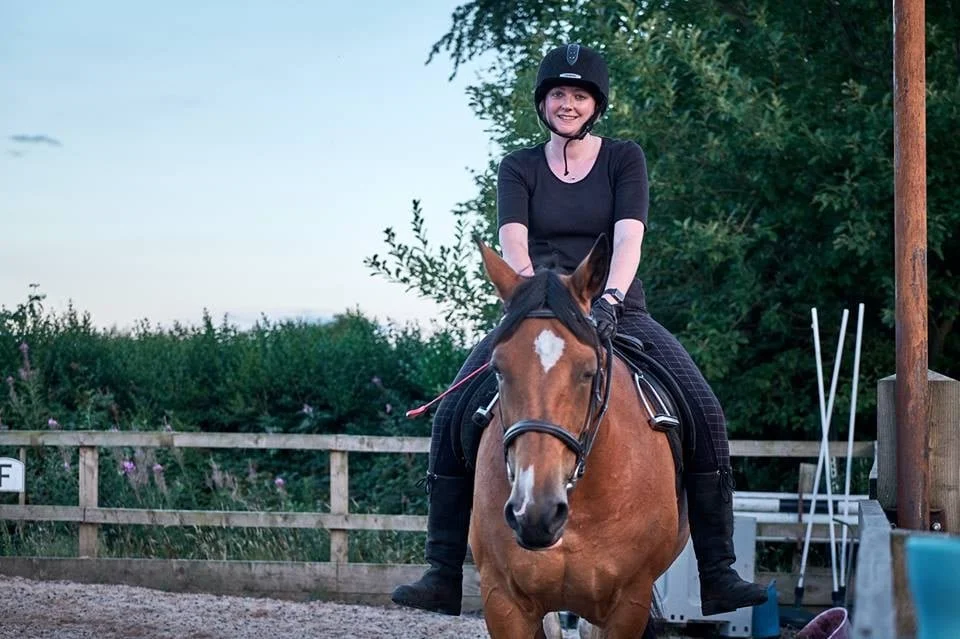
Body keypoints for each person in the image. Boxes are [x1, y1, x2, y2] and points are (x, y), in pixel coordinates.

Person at [391, 43, 768, 618]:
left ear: (597, 104)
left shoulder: (623, 158)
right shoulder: (519, 166)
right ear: (544, 103)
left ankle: (717, 570)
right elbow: (514, 244)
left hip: (615, 307)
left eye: (579, 95)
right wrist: (527, 294)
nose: (568, 103)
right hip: (536, 312)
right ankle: (442, 570)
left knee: (705, 409)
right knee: (450, 414)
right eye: (558, 94)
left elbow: (629, 237)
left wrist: (610, 297)